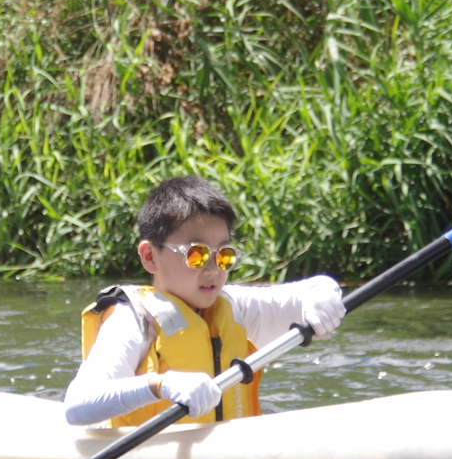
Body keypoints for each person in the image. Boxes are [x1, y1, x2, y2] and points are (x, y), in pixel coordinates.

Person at [64, 176, 346, 426]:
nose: (213, 270)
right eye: (196, 254)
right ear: (150, 256)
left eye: (224, 255)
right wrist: (161, 385)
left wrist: (324, 294)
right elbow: (77, 407)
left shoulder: (235, 305)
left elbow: (314, 288)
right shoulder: (133, 319)